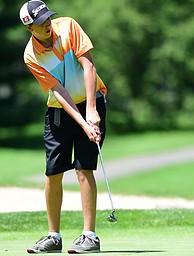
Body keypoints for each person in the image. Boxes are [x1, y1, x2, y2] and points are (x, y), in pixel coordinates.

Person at [19, 0, 107, 253]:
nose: (47, 24)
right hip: (60, 111)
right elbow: (58, 91)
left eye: (47, 18)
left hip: (92, 101)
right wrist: (82, 123)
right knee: (53, 172)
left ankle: (90, 236)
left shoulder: (68, 27)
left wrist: (91, 110)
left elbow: (88, 66)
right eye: (40, 23)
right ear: (29, 28)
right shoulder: (31, 56)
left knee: (84, 168)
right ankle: (53, 237)